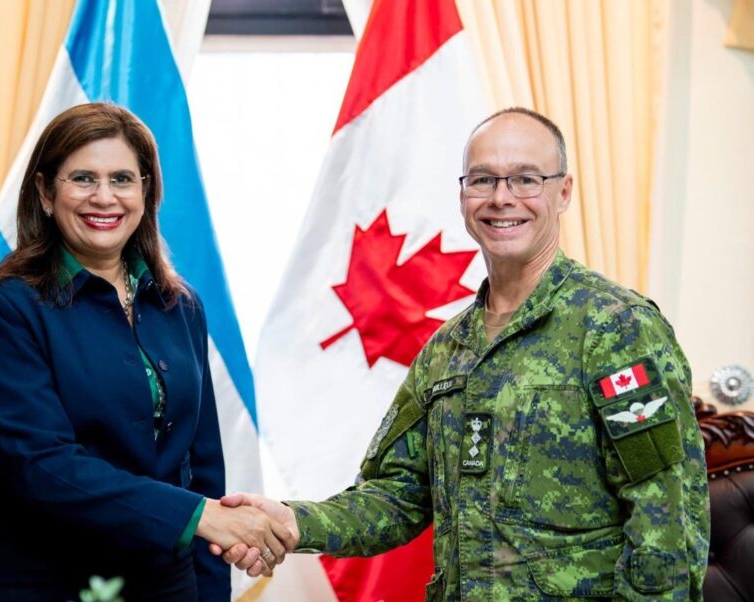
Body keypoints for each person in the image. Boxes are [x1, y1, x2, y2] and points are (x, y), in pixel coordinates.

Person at [216, 108, 710, 600]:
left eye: (525, 179)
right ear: (462, 196)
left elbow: (666, 515)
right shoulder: (446, 350)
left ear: (563, 192)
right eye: (483, 180)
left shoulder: (616, 326)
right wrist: (294, 522)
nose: (501, 198)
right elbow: (397, 497)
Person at [0, 102, 292, 602]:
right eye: (82, 179)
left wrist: (211, 584)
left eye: (122, 179)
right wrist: (199, 517)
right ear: (46, 193)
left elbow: (203, 467)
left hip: (165, 582)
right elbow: (41, 464)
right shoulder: (1, 305)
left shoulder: (181, 305)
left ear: (145, 192)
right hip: (46, 581)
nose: (104, 197)